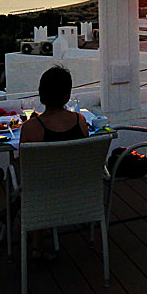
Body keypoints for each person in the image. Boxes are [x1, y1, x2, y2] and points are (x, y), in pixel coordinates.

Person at [21, 65, 89, 260]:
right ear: (67, 95)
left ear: (42, 95)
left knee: (33, 180)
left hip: (42, 194)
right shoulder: (80, 120)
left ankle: (35, 245)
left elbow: (24, 165)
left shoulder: (31, 127)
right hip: (77, 190)